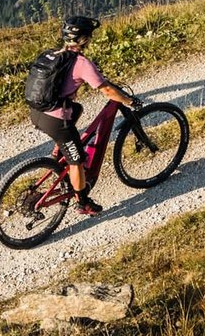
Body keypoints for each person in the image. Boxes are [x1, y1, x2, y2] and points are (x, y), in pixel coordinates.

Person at [30, 15, 134, 217]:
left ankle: (58, 153)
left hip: (37, 113)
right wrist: (129, 101)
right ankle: (83, 202)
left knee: (76, 109)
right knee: (76, 161)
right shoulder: (81, 63)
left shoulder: (51, 54)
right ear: (85, 39)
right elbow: (107, 90)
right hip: (56, 120)